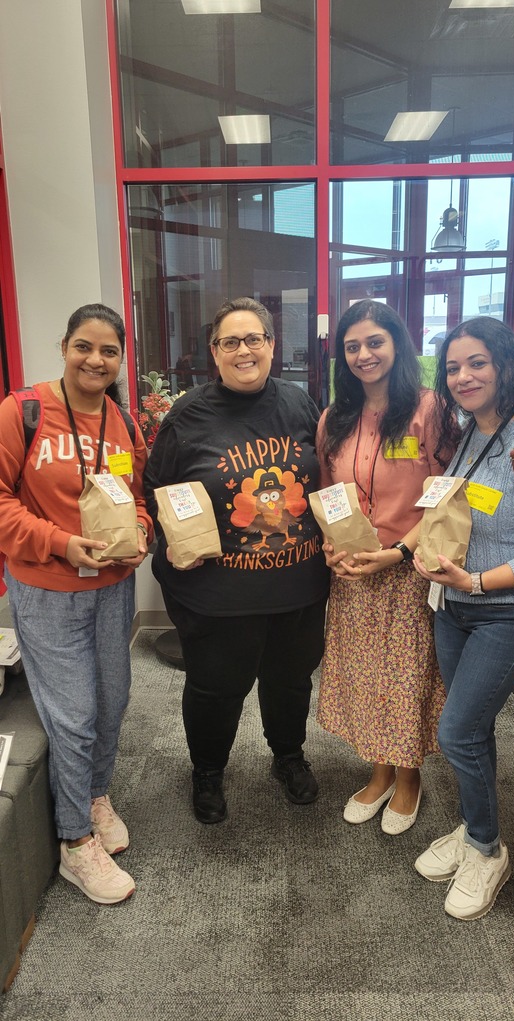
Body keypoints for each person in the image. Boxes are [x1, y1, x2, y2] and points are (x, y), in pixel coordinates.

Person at [413, 316, 514, 920]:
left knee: (456, 730)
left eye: (476, 362)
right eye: (453, 367)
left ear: (507, 365)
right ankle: (473, 827)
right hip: (453, 607)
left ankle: (486, 849)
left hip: (510, 613)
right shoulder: (472, 436)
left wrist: (476, 580)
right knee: (471, 728)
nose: (462, 376)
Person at [144, 297, 329, 824]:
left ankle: (287, 756)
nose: (243, 350)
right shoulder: (189, 414)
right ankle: (207, 771)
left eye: (254, 339)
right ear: (214, 352)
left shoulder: (300, 404)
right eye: (231, 341)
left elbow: (326, 479)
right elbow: (157, 487)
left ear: (271, 345)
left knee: (291, 682)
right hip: (218, 594)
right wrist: (174, 545)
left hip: (298, 587)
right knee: (214, 689)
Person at [0, 303, 152, 905]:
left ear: (120, 359)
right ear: (64, 346)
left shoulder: (121, 421)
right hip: (47, 590)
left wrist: (140, 532)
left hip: (112, 588)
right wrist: (60, 542)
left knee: (112, 702)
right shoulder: (24, 412)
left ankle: (93, 793)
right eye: (84, 347)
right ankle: (74, 841)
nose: (96, 360)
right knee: (74, 714)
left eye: (109, 351)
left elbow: (135, 495)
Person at [316, 300, 457, 834]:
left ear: (397, 344)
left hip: (407, 569)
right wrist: (334, 546)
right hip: (352, 570)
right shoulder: (335, 417)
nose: (363, 354)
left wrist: (397, 553)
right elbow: (329, 492)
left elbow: (447, 495)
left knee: (405, 678)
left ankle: (410, 777)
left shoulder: (428, 409)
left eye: (374, 342)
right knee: (362, 675)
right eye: (352, 346)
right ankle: (377, 772)